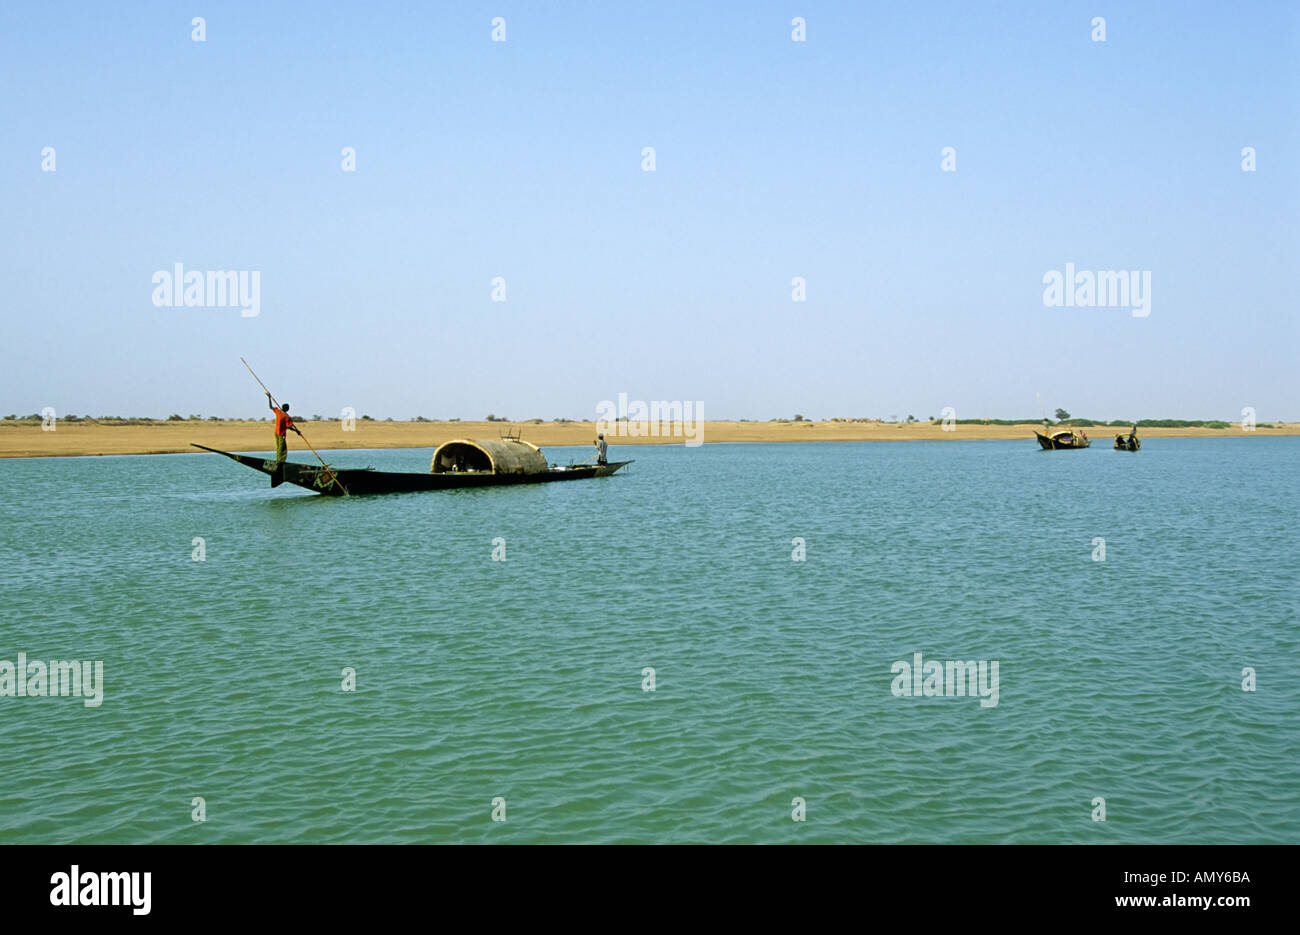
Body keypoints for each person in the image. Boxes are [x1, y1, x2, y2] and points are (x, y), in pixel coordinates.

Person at [267, 392, 300, 463]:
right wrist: (296, 431)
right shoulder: (286, 416)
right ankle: (280, 461)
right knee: (282, 448)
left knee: (279, 447)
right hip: (281, 434)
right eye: (288, 408)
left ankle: (278, 460)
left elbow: (270, 407)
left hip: (276, 432)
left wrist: (269, 397)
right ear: (287, 409)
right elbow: (289, 427)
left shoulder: (278, 411)